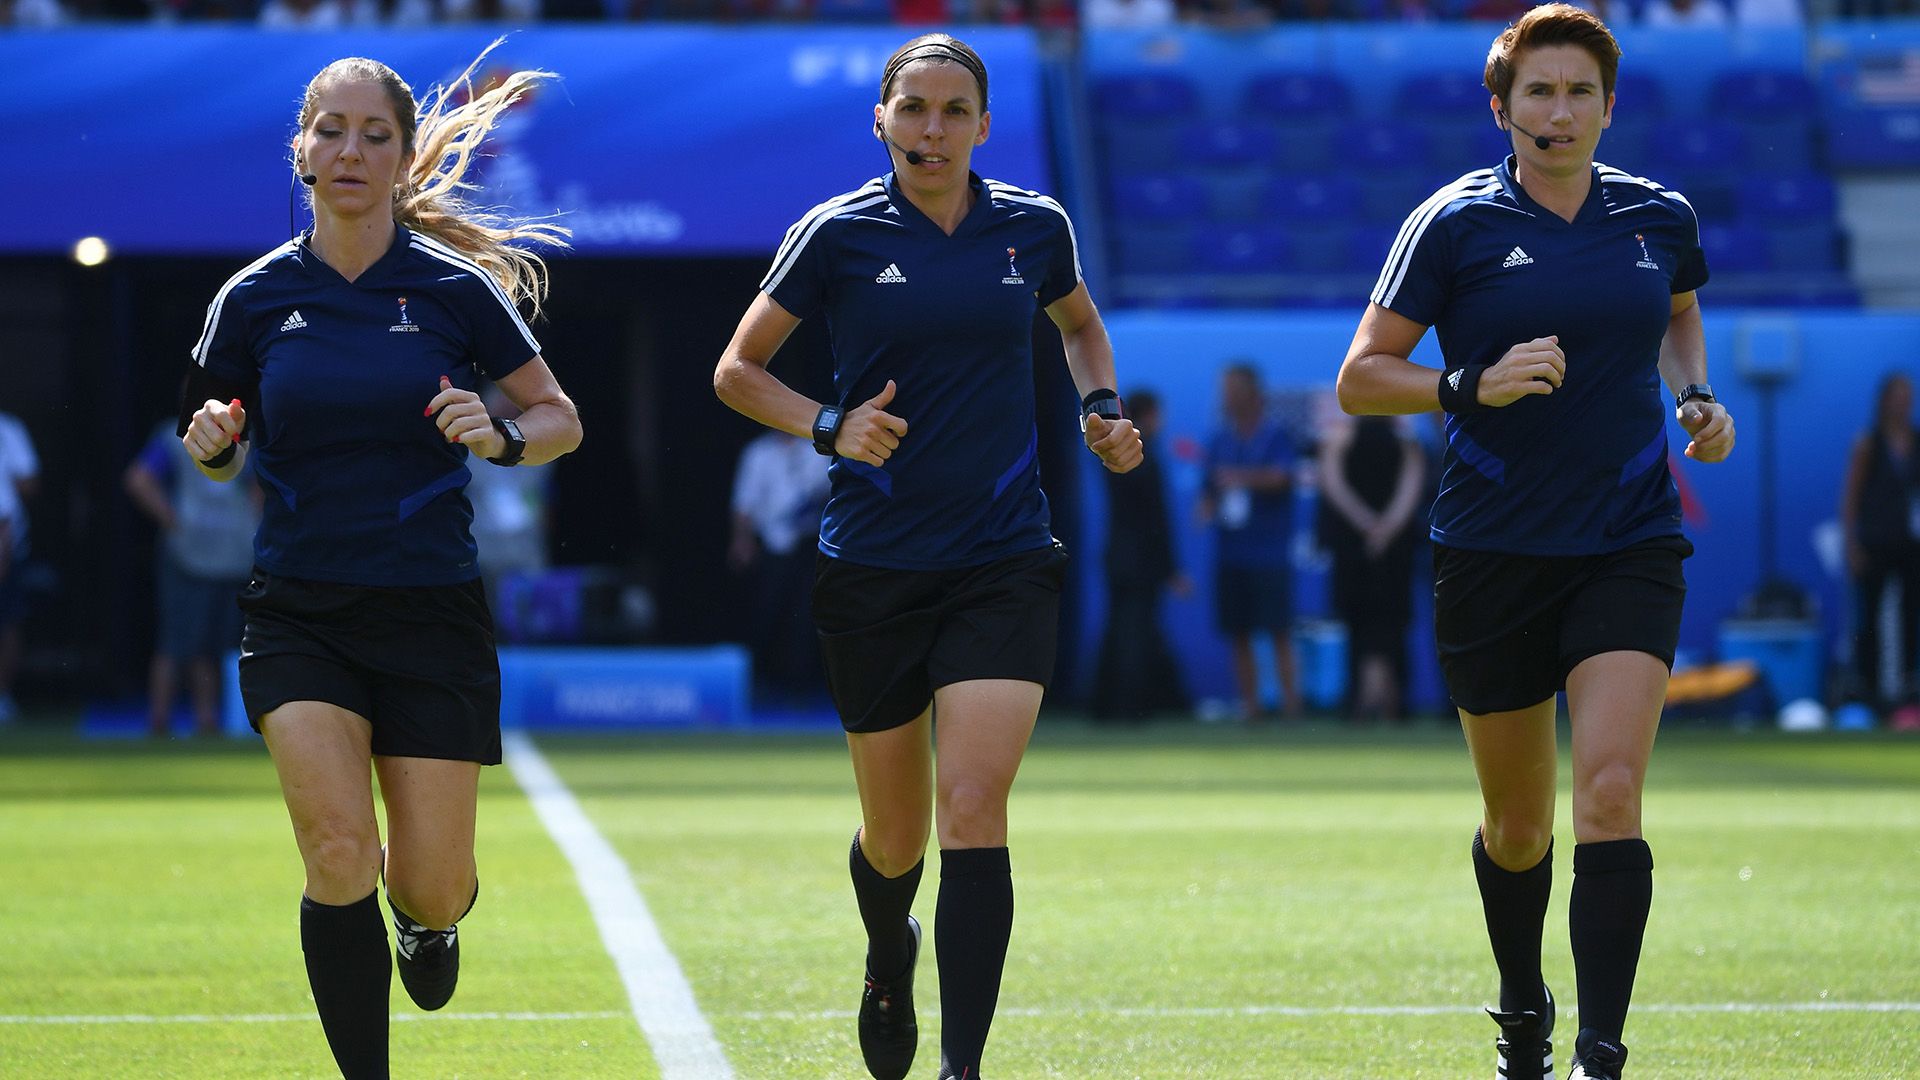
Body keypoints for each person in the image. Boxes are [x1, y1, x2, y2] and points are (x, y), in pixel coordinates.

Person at [712, 33, 1141, 1080]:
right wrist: (829, 427)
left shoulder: (1033, 229)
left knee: (974, 810)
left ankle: (962, 1066)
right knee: (896, 840)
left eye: (955, 111)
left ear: (985, 125)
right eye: (915, 109)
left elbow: (1081, 328)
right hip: (873, 566)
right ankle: (885, 953)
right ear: (882, 120)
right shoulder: (837, 234)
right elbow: (737, 369)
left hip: (1003, 557)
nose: (934, 128)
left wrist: (1101, 407)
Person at [1334, 7, 1735, 1078]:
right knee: (1519, 827)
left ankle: (1602, 1053)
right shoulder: (1452, 223)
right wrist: (1468, 384)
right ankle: (1524, 1004)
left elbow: (1679, 314)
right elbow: (1361, 376)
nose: (1559, 112)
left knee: (1609, 792)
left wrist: (1695, 395)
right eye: (1538, 93)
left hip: (1628, 539)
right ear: (1501, 106)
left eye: (1579, 92)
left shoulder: (1658, 215)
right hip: (1493, 551)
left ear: (1610, 104)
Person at [176, 43, 580, 1080]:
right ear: (299, 152)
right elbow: (213, 435)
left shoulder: (452, 291)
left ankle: (430, 923)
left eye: (373, 135)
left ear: (402, 159)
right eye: (330, 131)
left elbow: (557, 417)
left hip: (431, 612)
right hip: (299, 613)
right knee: (338, 856)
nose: (349, 150)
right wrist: (215, 450)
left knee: (432, 883)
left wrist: (498, 435)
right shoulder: (254, 299)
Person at [125, 420, 261, 736]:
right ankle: (159, 719)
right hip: (190, 555)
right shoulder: (172, 438)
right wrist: (174, 521)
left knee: (217, 642)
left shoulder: (247, 438)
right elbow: (138, 479)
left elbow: (257, 489)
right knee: (176, 639)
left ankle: (209, 720)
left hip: (233, 555)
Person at [1198, 362, 1301, 721]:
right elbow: (1208, 489)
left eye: (1232, 389)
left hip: (1269, 551)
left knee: (1279, 630)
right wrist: (1206, 507)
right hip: (1232, 552)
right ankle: (1251, 706)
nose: (1226, 397)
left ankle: (1291, 706)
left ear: (1252, 393)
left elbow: (1283, 477)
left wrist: (1240, 478)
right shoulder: (1219, 439)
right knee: (1238, 632)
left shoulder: (1276, 435)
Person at [1315, 413, 1424, 724]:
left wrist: (1369, 526)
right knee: (1381, 622)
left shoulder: (1344, 439)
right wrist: (1384, 528)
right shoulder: (1403, 441)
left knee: (1373, 623)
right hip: (1383, 545)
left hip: (1365, 544)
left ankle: (1379, 700)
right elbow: (1407, 489)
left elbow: (1334, 483)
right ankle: (1383, 701)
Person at [1091, 388, 1191, 722]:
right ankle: (1129, 707)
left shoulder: (1111, 456)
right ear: (1147, 415)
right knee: (1134, 633)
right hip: (1141, 561)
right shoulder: (1146, 457)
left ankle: (1105, 704)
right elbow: (1157, 519)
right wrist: (1171, 568)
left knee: (1119, 630)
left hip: (1117, 557)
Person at [727, 428, 831, 707]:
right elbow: (743, 503)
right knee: (766, 613)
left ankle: (801, 686)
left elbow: (829, 492)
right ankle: (756, 683)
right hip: (773, 545)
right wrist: (742, 540)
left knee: (806, 618)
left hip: (810, 545)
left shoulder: (815, 449)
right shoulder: (758, 453)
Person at [1839, 372, 1920, 725]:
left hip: (1910, 544)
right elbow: (1852, 497)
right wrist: (1852, 543)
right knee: (1869, 616)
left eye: (1908, 396)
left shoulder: (1916, 441)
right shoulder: (1868, 443)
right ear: (1884, 400)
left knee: (1910, 616)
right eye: (1897, 395)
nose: (1903, 403)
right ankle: (1868, 689)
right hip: (1874, 543)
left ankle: (1905, 688)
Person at [0, 410, 38, 724]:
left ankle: (2, 695)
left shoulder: (8, 429)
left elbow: (28, 482)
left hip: (7, 541)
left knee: (8, 620)